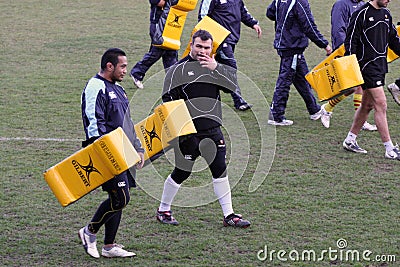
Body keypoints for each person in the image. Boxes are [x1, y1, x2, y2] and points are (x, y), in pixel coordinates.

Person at [156, 30, 251, 228]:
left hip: (213, 131)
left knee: (220, 170)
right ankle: (163, 209)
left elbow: (233, 88)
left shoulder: (215, 67)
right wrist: (181, 130)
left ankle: (229, 215)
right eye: (198, 46)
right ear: (191, 45)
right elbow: (167, 100)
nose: (202, 51)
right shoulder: (177, 70)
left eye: (207, 47)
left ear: (211, 49)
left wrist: (216, 68)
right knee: (182, 172)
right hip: (188, 134)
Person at [79, 48, 145, 258]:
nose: (126, 70)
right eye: (123, 66)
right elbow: (93, 122)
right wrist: (103, 149)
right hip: (107, 151)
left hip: (123, 150)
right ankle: (89, 232)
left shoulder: (119, 90)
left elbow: (127, 121)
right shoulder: (95, 87)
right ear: (110, 66)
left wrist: (138, 147)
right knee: (121, 197)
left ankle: (109, 246)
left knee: (118, 196)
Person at [342, 0, 400, 160]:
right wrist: (352, 71)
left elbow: (394, 40)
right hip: (366, 68)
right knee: (381, 104)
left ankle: (350, 140)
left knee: (367, 106)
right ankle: (389, 149)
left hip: (380, 67)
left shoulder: (386, 14)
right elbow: (350, 43)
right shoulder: (361, 14)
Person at [266, 0, 332, 126]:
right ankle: (276, 115)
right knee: (285, 80)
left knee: (302, 78)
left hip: (286, 44)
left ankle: (314, 110)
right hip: (292, 46)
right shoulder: (300, 2)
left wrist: (285, 24)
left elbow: (269, 13)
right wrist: (325, 45)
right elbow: (309, 26)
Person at [319, 0, 377, 131]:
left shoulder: (362, 4)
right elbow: (338, 29)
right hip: (347, 52)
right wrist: (346, 52)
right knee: (351, 87)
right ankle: (327, 108)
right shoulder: (341, 5)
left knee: (360, 85)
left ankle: (358, 120)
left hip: (361, 51)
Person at [198, 0, 262, 111]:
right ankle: (238, 100)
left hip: (232, 38)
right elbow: (203, 16)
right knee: (230, 68)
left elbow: (242, 10)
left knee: (214, 69)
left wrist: (253, 23)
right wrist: (209, 38)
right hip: (220, 40)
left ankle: (209, 98)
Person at [130, 0, 178, 89]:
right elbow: (160, 2)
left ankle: (173, 80)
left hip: (171, 24)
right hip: (158, 24)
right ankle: (137, 73)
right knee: (157, 52)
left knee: (171, 52)